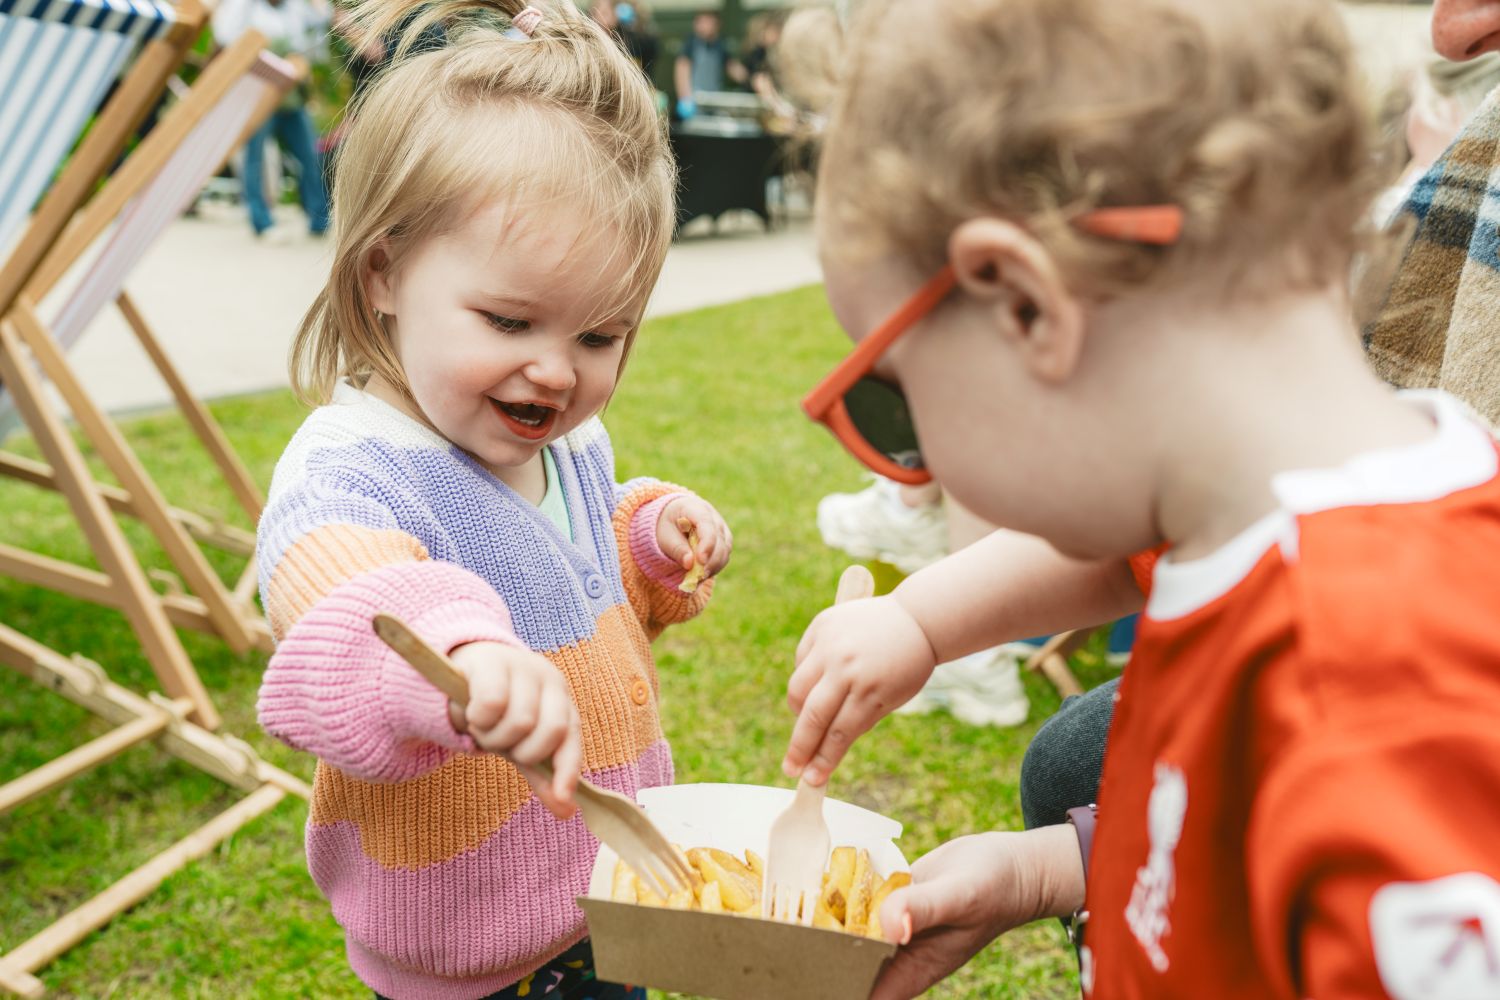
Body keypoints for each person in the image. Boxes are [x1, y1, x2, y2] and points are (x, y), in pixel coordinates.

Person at [782, 1, 1500, 998]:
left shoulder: (1368, 697)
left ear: (1028, 306)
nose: (911, 456)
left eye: (891, 393)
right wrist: (1045, 866)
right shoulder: (1262, 518)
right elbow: (1223, 805)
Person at [253, 3, 733, 998]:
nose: (555, 373)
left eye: (602, 337)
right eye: (510, 319)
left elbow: (573, 572)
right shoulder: (351, 467)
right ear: (383, 273)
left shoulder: (569, 441)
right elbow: (356, 617)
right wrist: (465, 658)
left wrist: (647, 538)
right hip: (466, 946)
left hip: (605, 891)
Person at [213, 0, 332, 238]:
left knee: (310, 153)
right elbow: (224, 35)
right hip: (257, 91)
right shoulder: (244, 7)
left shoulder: (295, 8)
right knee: (254, 157)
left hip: (289, 93)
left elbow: (318, 31)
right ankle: (261, 221)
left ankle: (319, 220)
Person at [673, 9, 745, 120]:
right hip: (695, 102)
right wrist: (685, 98)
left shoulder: (720, 45)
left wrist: (750, 79)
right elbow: (682, 70)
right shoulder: (691, 44)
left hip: (714, 101)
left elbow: (733, 68)